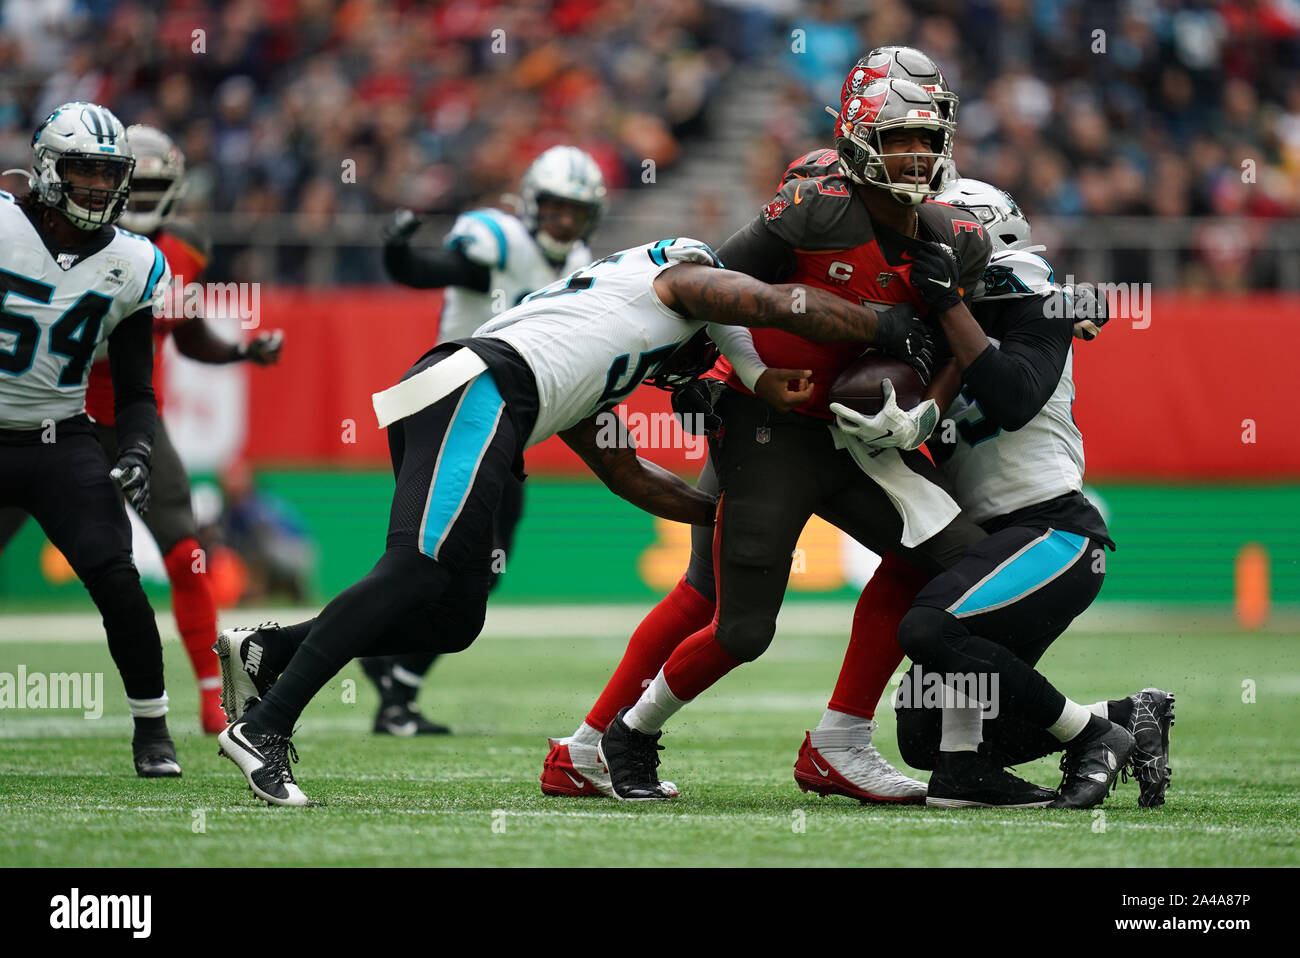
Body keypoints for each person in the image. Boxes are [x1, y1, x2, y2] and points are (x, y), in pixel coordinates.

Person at [212, 237, 938, 806]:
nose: (679, 370)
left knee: (454, 617)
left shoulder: (593, 341)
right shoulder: (678, 276)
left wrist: (727, 514)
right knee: (414, 568)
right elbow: (772, 306)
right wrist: (879, 323)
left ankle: (268, 654)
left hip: (483, 400)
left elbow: (628, 474)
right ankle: (264, 726)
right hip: (477, 387)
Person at [554, 77, 993, 802]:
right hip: (768, 428)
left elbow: (957, 347)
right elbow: (709, 284)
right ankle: (625, 736)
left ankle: (844, 739)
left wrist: (924, 411)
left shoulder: (955, 235)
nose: (915, 154)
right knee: (741, 627)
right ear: (857, 139)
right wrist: (723, 375)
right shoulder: (817, 203)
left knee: (957, 562)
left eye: (925, 137)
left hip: (854, 438)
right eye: (897, 137)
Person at [0, 123, 284, 733]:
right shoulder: (43, 238)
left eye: (133, 180)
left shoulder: (167, 256)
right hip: (51, 418)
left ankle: (212, 702)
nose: (106, 189)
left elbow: (181, 334)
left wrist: (240, 353)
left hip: (131, 418)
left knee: (186, 550)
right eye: (92, 174)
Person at [363, 145, 606, 736]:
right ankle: (381, 672)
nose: (565, 222)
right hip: (448, 402)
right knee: (435, 556)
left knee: (478, 563)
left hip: (495, 419)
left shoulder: (577, 259)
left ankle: (390, 676)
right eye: (555, 208)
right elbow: (428, 272)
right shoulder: (500, 243)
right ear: (531, 204)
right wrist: (398, 251)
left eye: (576, 211)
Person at [0, 102, 179, 776]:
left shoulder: (135, 262)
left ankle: (152, 729)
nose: (100, 188)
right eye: (84, 171)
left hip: (61, 441)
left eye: (110, 175)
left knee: (119, 580)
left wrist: (135, 451)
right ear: (48, 168)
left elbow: (135, 390)